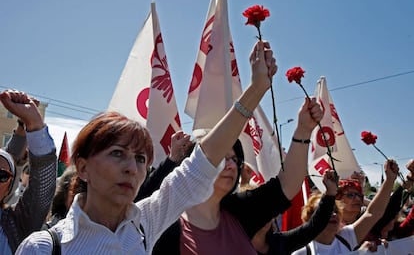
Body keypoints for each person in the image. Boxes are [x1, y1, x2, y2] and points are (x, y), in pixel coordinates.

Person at [16, 40, 278, 254]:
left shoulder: (144, 225)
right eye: (117, 154)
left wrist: (256, 90)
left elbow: (203, 161)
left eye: (141, 159)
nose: (132, 168)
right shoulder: (44, 248)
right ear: (83, 167)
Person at [152, 95, 324, 255]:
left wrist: (303, 130)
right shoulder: (166, 226)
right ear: (196, 165)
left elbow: (287, 184)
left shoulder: (240, 211)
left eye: (235, 159)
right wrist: (257, 87)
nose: (232, 165)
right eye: (222, 158)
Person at [292, 159, 399, 255]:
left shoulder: (345, 237)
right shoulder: (302, 252)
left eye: (335, 211)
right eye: (325, 211)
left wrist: (389, 180)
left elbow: (373, 213)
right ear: (310, 218)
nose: (333, 214)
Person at [0, 89, 57, 254]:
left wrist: (33, 123)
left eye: (1, 176)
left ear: (10, 186)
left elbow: (43, 187)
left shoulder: (16, 225)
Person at [251, 169, 338, 255]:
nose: (265, 214)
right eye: (258, 210)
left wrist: (330, 194)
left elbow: (314, 227)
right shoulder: (238, 245)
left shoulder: (280, 243)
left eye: (268, 209)